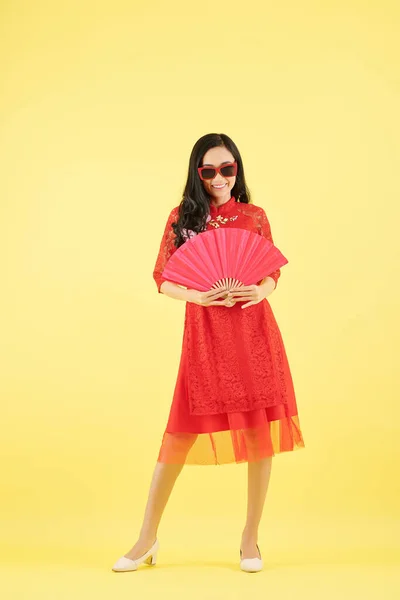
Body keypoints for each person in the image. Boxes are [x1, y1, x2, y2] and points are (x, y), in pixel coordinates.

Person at [112, 133, 305, 574]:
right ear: (197, 174)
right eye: (210, 171)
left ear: (238, 169)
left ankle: (250, 539)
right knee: (177, 438)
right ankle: (146, 539)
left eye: (228, 168)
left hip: (254, 335)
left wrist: (261, 290)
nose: (220, 178)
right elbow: (163, 278)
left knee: (259, 435)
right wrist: (199, 298)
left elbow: (272, 271)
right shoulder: (183, 218)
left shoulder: (254, 216)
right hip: (205, 338)